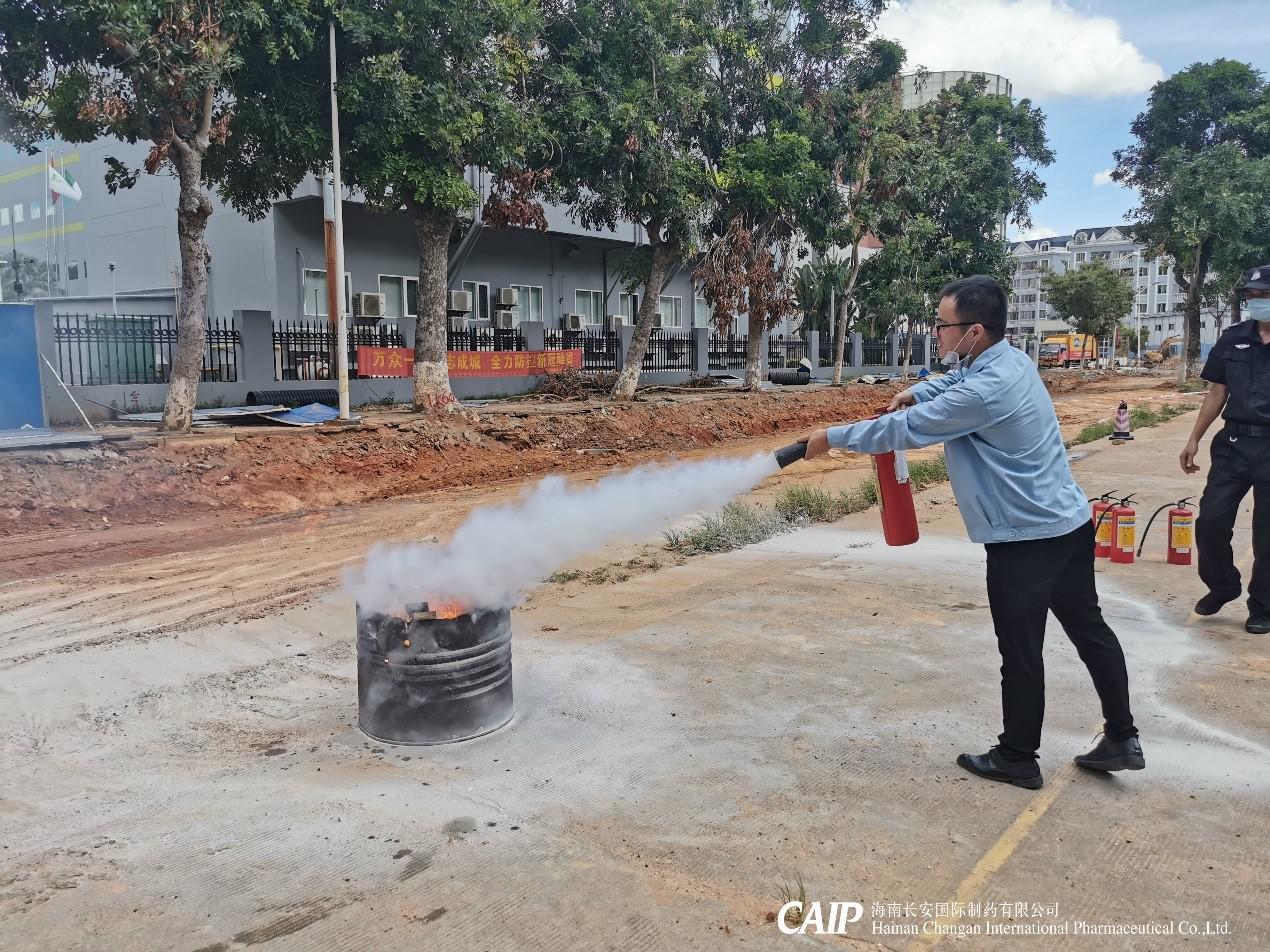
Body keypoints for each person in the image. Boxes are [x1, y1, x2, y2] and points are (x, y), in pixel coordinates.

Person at [800, 275, 1142, 790]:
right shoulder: (1009, 361)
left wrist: (831, 437)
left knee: (1020, 650)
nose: (936, 333)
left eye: (942, 325)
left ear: (973, 331)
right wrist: (917, 389)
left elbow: (908, 429)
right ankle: (1122, 736)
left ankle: (1017, 757)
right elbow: (952, 385)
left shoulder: (985, 390)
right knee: (1089, 629)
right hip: (1067, 523)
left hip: (1025, 539)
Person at [1180, 264, 1270, 635]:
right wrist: (1194, 438)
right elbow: (1217, 391)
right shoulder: (1233, 338)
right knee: (1211, 521)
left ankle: (1262, 606)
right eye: (1251, 295)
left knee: (1267, 534)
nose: (1256, 301)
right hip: (1233, 444)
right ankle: (1223, 585)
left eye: (1263, 295)